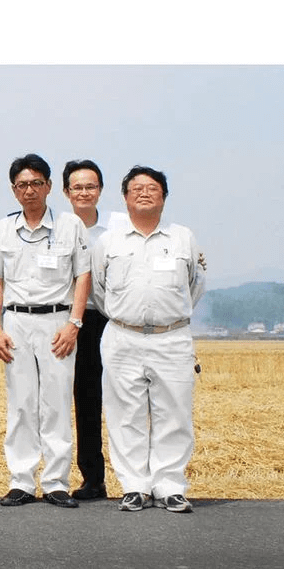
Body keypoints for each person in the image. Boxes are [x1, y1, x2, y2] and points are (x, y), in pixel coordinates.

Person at [92, 166, 205, 513]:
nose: (144, 193)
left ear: (164, 197)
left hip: (172, 337)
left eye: (152, 188)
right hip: (122, 336)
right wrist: (127, 315)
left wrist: (168, 317)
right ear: (125, 197)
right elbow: (99, 289)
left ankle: (170, 485)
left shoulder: (182, 237)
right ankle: (134, 486)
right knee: (125, 414)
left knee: (174, 412)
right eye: (136, 188)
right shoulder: (109, 241)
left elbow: (195, 285)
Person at [0, 153, 90, 509]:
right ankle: (21, 481)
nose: (29, 190)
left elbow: (83, 276)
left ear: (48, 186)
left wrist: (74, 324)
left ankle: (56, 482)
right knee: (21, 404)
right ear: (13, 190)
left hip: (57, 323)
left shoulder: (70, 226)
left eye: (35, 183)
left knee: (56, 403)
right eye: (22, 185)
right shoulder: (2, 229)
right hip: (16, 322)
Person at [61, 159, 128, 501]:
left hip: (115, 320)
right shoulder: (59, 227)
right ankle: (93, 479)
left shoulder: (121, 225)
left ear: (101, 190)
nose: (84, 192)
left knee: (126, 399)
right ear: (66, 192)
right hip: (76, 322)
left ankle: (135, 480)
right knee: (86, 400)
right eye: (77, 187)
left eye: (91, 186)